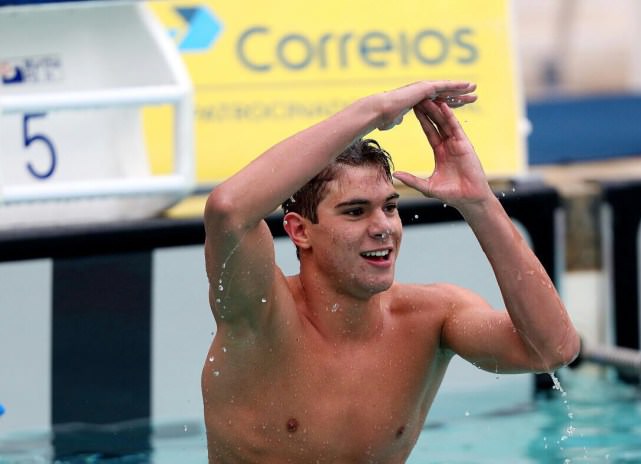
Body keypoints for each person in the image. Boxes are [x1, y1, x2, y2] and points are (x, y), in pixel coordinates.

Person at [202, 80, 580, 463]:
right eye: (355, 211)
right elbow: (228, 209)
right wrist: (375, 112)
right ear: (300, 231)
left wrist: (480, 202)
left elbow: (552, 350)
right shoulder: (259, 316)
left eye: (390, 207)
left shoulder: (433, 318)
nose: (383, 226)